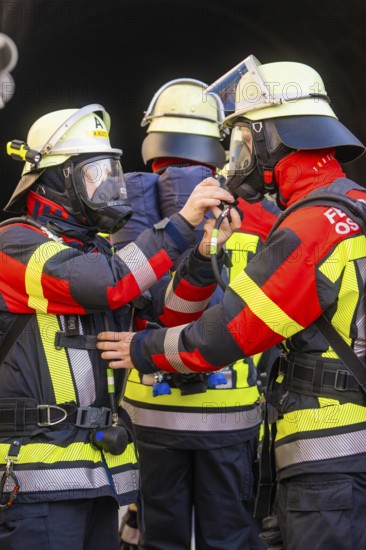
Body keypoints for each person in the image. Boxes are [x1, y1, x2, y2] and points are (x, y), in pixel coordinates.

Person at [97, 56, 366, 550]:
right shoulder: (354, 204)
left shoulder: (310, 224)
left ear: (271, 137)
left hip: (330, 454)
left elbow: (231, 333)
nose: (237, 153)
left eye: (243, 138)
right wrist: (204, 255)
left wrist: (141, 348)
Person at [0, 103, 238, 550]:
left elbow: (168, 316)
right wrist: (183, 223)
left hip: (95, 475)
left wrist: (204, 258)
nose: (109, 186)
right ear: (56, 179)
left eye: (111, 172)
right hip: (34, 481)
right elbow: (109, 286)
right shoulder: (15, 243)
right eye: (94, 174)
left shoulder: (96, 252)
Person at [113, 78, 279, 550]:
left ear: (151, 140)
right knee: (228, 535)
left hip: (149, 412)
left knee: (158, 537)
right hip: (228, 413)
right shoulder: (259, 212)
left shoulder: (118, 211)